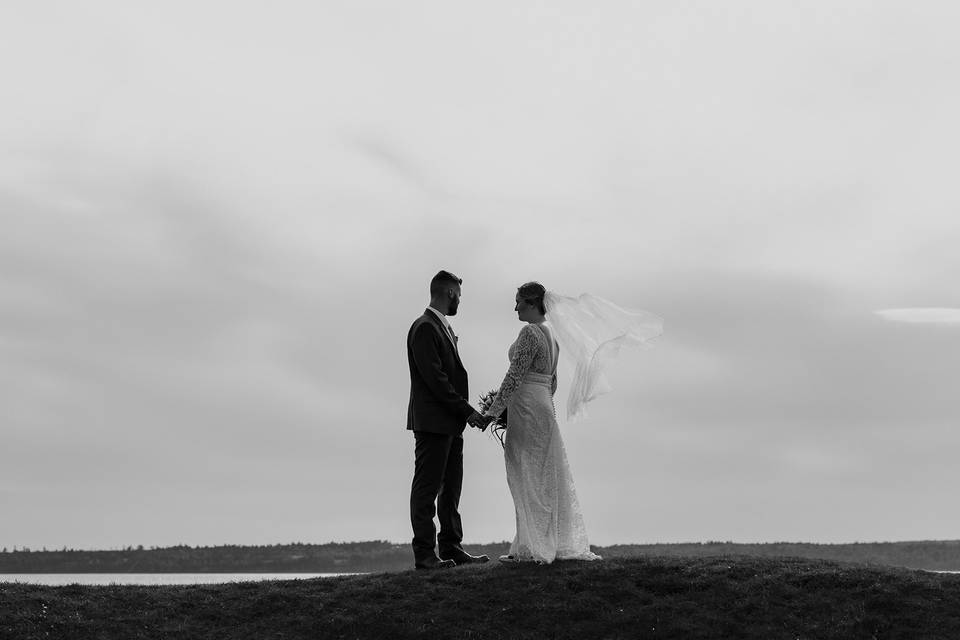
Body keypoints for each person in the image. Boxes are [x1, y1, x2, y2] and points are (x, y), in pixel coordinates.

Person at [483, 282, 662, 564]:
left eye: (518, 302)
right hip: (541, 406)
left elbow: (514, 376)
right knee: (543, 475)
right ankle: (531, 543)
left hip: (528, 409)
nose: (515, 307)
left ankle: (535, 547)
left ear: (531, 303)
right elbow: (552, 382)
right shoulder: (551, 335)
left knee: (528, 475)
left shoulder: (529, 332)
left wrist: (492, 412)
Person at [406, 270, 490, 570]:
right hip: (432, 422)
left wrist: (463, 414)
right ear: (450, 293)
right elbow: (436, 380)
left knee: (452, 488)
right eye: (459, 296)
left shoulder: (441, 327)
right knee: (427, 489)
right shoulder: (424, 328)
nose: (459, 302)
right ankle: (425, 554)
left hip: (450, 423)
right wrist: (468, 411)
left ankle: (452, 545)